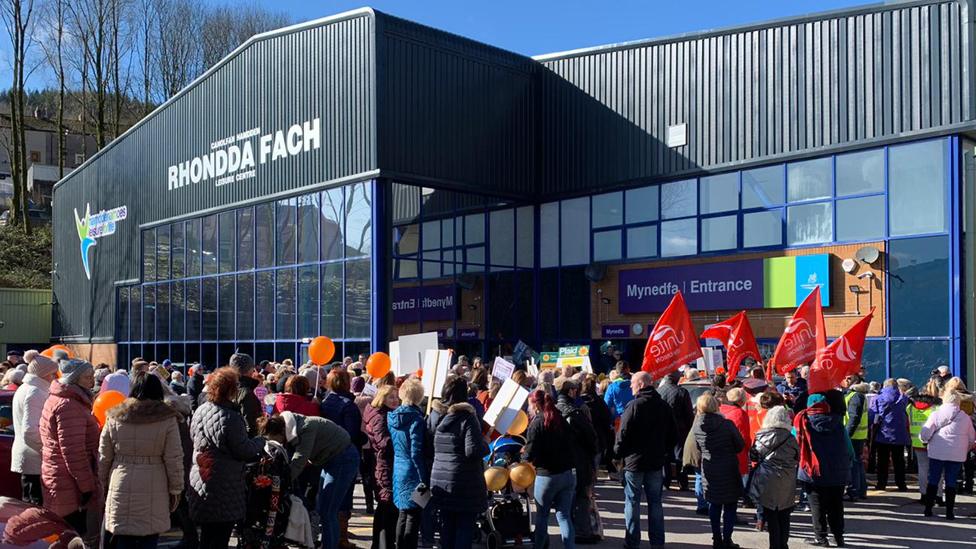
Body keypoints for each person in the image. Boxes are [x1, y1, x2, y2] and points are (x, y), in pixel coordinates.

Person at [98, 372, 184, 548]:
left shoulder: (115, 416)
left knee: (123, 535)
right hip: (155, 481)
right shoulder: (167, 418)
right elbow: (173, 458)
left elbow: (104, 456)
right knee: (149, 535)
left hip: (120, 478)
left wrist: (103, 482)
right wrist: (176, 488)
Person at [188, 367, 266, 549]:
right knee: (220, 537)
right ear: (231, 390)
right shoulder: (231, 417)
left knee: (206, 538)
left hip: (200, 477)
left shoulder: (200, 410)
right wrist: (261, 441)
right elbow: (244, 450)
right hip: (224, 484)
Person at [255, 412, 355, 549]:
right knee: (324, 508)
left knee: (328, 511)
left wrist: (282, 483)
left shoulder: (307, 428)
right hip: (330, 459)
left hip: (343, 458)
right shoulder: (292, 425)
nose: (281, 444)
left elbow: (299, 461)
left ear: (283, 431)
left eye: (279, 440)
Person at [615, 371, 677, 549]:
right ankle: (657, 543)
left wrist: (618, 454)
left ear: (641, 384)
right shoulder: (663, 406)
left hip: (635, 463)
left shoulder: (634, 405)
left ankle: (632, 542)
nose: (631, 386)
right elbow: (673, 435)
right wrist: (663, 451)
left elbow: (623, 434)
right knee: (655, 502)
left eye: (633, 383)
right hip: (655, 461)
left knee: (633, 502)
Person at [39, 359, 100, 536]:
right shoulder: (69, 405)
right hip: (68, 480)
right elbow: (73, 452)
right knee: (71, 534)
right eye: (88, 377)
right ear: (75, 379)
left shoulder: (61, 398)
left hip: (59, 473)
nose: (92, 381)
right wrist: (87, 486)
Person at [430, 377, 489, 549]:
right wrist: (485, 445)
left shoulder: (434, 415)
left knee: (446, 526)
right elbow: (473, 450)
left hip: (440, 477)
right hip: (464, 480)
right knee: (464, 528)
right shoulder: (467, 418)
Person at [795, 392, 852, 547]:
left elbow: (795, 444)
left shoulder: (802, 422)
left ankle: (821, 538)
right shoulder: (838, 423)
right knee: (836, 505)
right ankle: (838, 537)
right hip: (837, 470)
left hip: (812, 470)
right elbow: (849, 448)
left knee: (816, 505)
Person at [320, 368, 367, 549]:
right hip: (344, 454)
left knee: (327, 503)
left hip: (327, 453)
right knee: (339, 503)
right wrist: (364, 438)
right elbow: (351, 434)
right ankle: (340, 539)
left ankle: (334, 539)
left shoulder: (325, 401)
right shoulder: (348, 405)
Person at [525, 390, 577, 549]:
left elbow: (531, 452)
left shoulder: (536, 423)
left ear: (535, 405)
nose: (528, 409)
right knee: (564, 516)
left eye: (529, 405)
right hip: (567, 474)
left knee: (542, 516)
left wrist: (524, 458)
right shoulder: (561, 419)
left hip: (546, 476)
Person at [692, 392, 744, 549]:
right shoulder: (727, 424)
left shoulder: (697, 426)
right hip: (728, 467)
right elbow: (739, 445)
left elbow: (697, 448)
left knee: (714, 504)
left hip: (709, 468)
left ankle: (716, 539)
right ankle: (727, 539)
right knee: (729, 504)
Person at [748, 406, 799, 549]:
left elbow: (753, 456)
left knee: (771, 514)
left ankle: (774, 545)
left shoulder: (761, 435)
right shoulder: (791, 437)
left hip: (767, 477)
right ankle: (783, 544)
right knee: (784, 513)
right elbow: (797, 457)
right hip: (787, 478)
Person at [920, 389, 976, 520]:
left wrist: (924, 441)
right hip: (957, 454)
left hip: (937, 452)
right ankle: (949, 512)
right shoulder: (965, 417)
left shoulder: (936, 414)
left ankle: (928, 509)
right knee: (951, 481)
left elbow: (925, 433)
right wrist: (965, 449)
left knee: (933, 479)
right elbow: (971, 438)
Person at [11, 353, 57, 505]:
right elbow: (30, 430)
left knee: (29, 504)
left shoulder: (26, 388)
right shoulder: (35, 392)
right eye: (52, 373)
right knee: (35, 506)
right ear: (44, 374)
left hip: (29, 456)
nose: (55, 377)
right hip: (34, 458)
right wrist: (47, 450)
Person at [387, 379, 427, 549]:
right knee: (414, 515)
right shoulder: (417, 420)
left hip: (398, 468)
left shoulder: (391, 417)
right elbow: (416, 452)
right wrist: (423, 477)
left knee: (403, 513)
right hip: (413, 470)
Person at [364, 385, 400, 549]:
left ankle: (378, 543)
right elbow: (383, 442)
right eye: (390, 397)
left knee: (385, 507)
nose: (395, 400)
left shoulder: (382, 413)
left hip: (384, 464)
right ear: (382, 398)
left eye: (396, 396)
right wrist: (401, 441)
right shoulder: (380, 416)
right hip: (383, 465)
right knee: (387, 506)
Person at [869, 378, 911, 491]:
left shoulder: (878, 398)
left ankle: (881, 483)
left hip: (883, 433)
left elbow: (873, 415)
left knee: (883, 460)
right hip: (899, 434)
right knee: (899, 460)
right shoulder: (903, 397)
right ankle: (901, 484)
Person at [657, 370, 693, 491]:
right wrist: (690, 428)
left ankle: (665, 481)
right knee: (680, 456)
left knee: (665, 455)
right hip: (679, 429)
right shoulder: (682, 392)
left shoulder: (658, 391)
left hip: (662, 428)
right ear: (676, 379)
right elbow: (688, 413)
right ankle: (682, 482)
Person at [908, 381, 941, 505]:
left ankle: (924, 494)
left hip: (917, 442)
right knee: (937, 470)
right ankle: (938, 496)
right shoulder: (936, 407)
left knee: (922, 469)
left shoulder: (910, 407)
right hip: (934, 441)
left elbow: (907, 424)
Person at [842, 376, 870, 501]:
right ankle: (860, 490)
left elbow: (854, 418)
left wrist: (846, 435)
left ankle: (854, 491)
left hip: (853, 435)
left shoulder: (855, 396)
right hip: (858, 434)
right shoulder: (858, 395)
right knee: (857, 463)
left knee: (853, 464)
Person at [719, 388, 751, 490]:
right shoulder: (740, 413)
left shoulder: (721, 409)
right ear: (741, 400)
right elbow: (744, 435)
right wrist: (749, 448)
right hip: (737, 450)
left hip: (721, 448)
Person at [229, 353, 263, 436]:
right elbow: (253, 426)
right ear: (250, 370)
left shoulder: (227, 387)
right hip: (244, 442)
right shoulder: (246, 393)